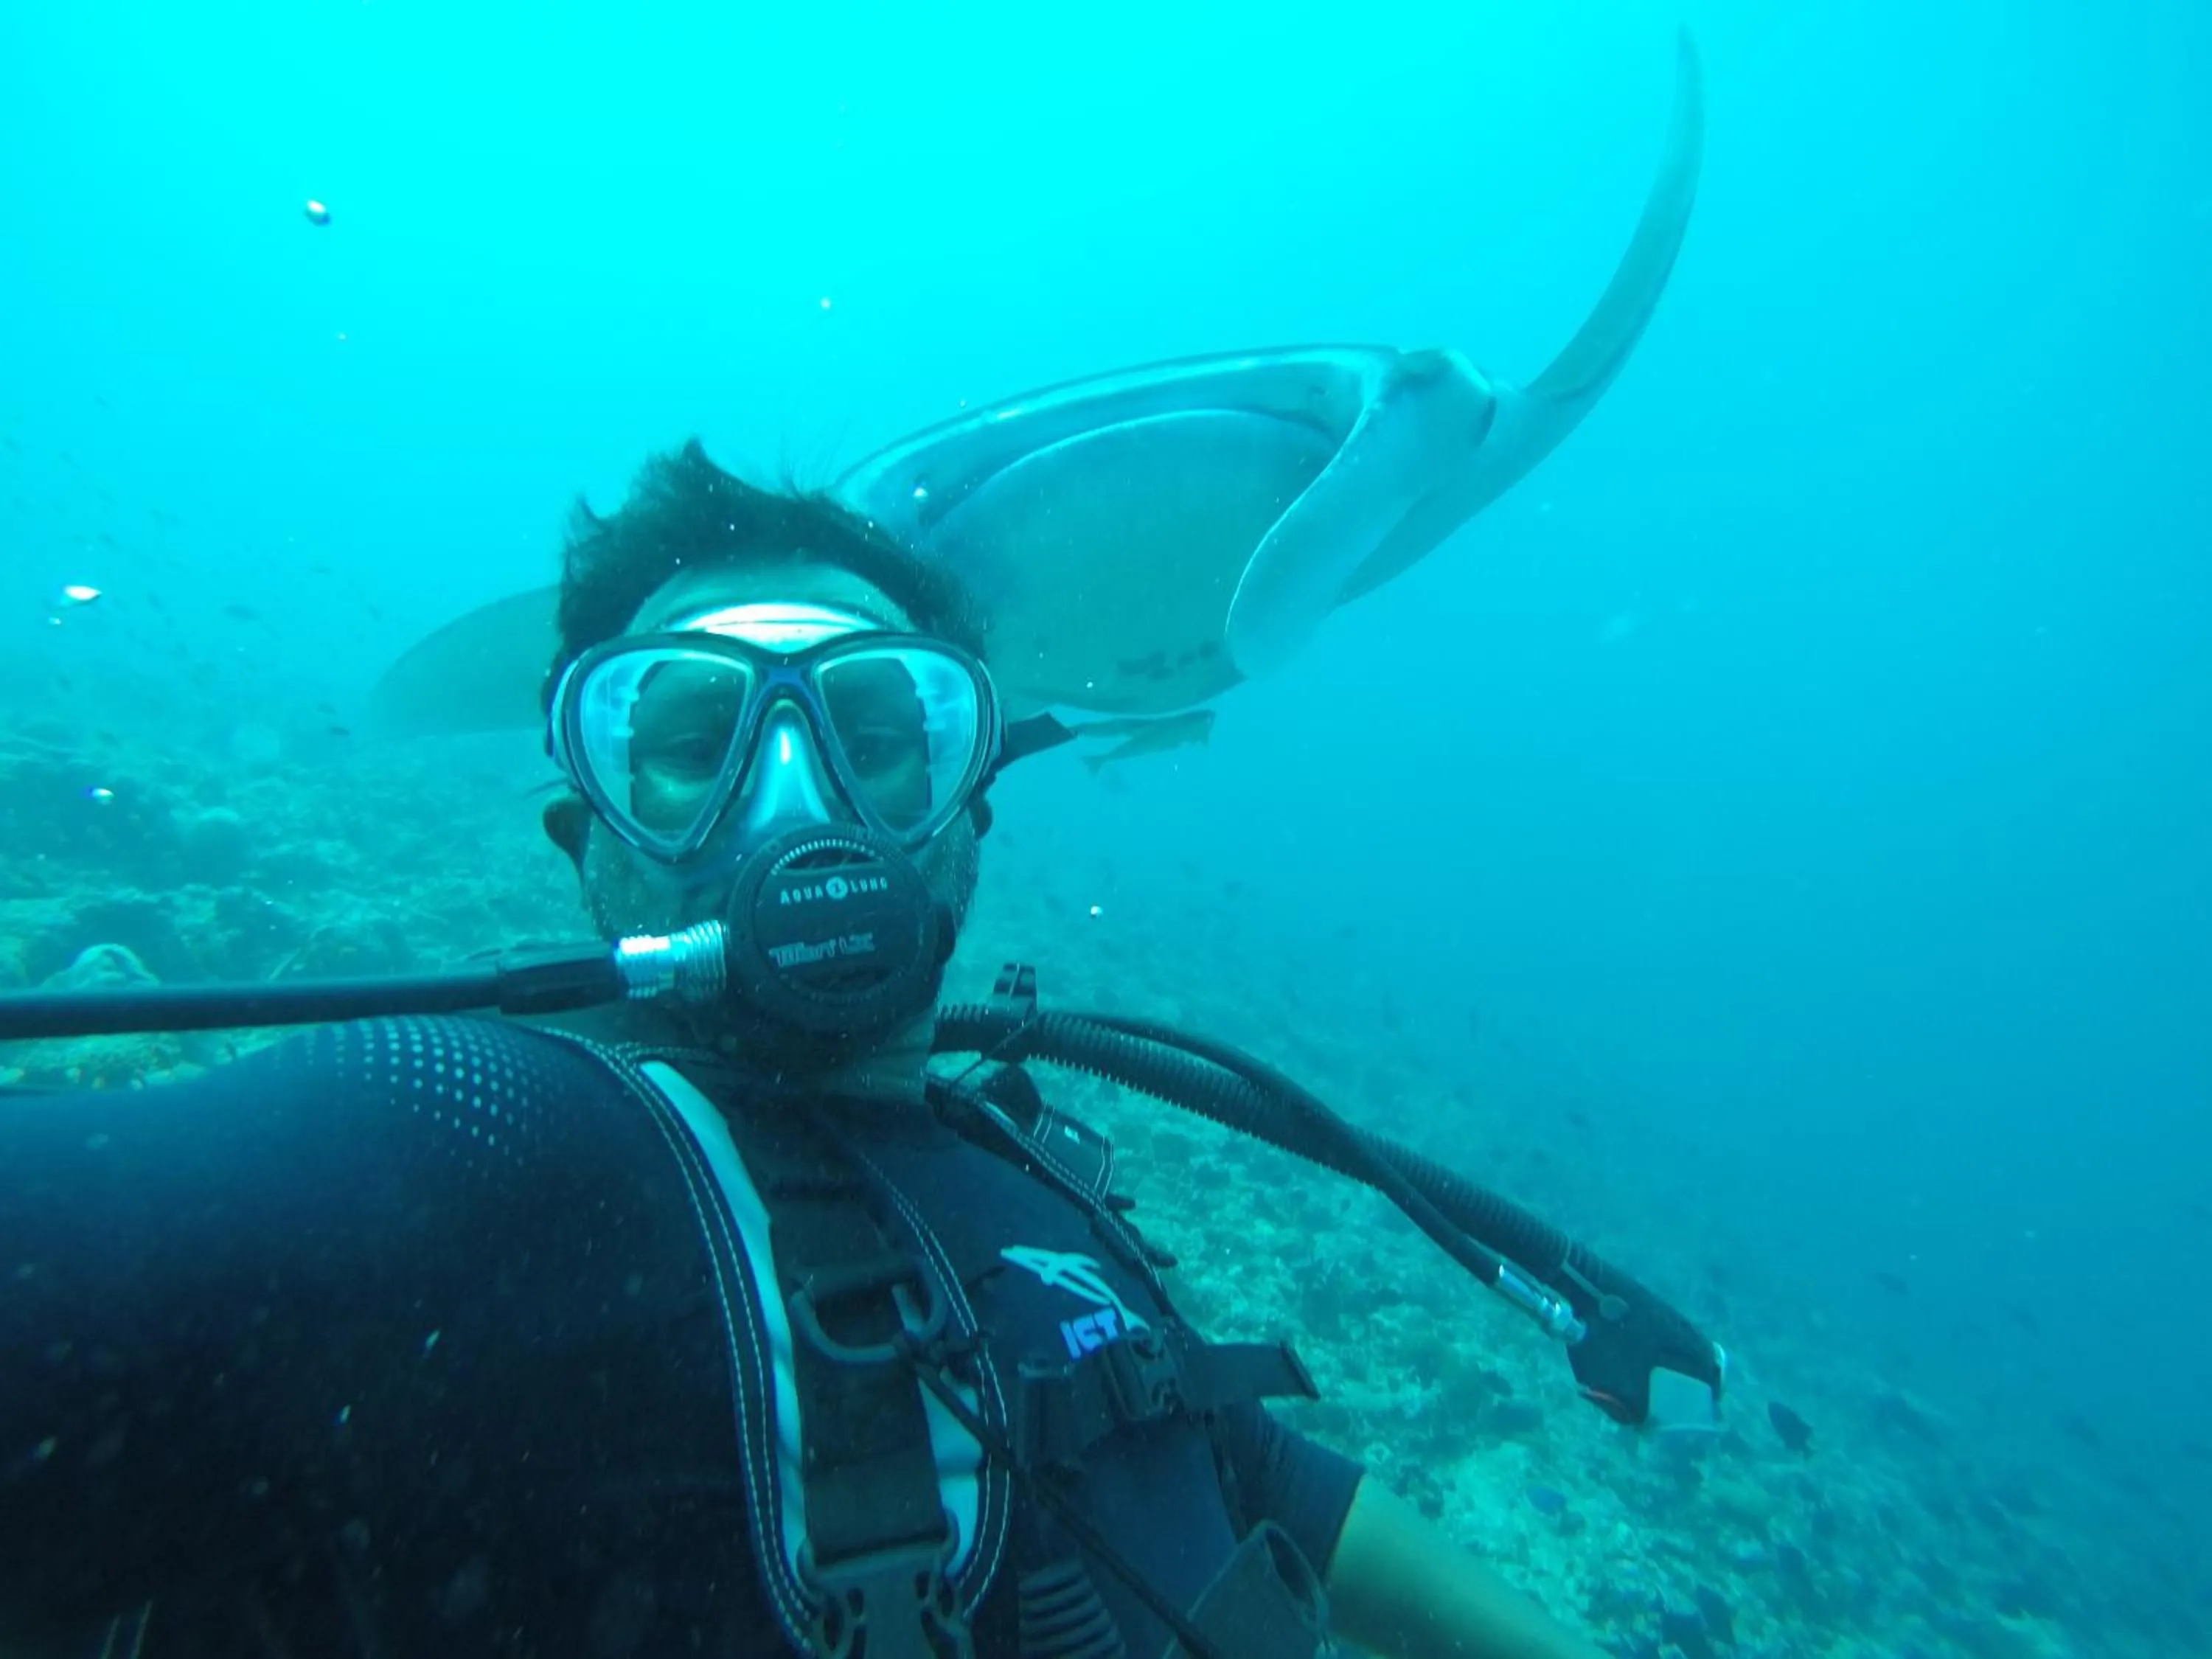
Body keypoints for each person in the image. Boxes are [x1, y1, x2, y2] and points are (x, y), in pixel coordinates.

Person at [0, 442, 1619, 1659]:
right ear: (593, 843)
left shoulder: (1011, 1172)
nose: (798, 808)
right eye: (695, 740)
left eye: (879, 734)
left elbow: (1250, 1463)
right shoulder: (469, 1146)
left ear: (968, 812)